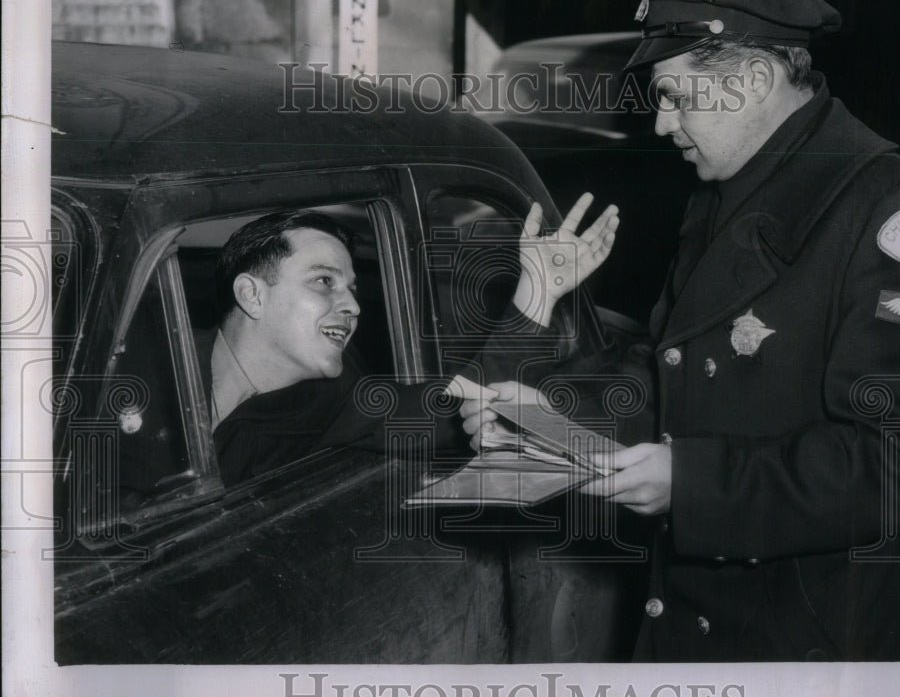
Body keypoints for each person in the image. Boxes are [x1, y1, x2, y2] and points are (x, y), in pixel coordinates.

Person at [460, 0, 900, 661]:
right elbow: (673, 372)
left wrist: (691, 488)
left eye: (674, 97)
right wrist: (541, 408)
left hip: (817, 646)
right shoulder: (725, 199)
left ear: (753, 79)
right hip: (705, 630)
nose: (661, 125)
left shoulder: (899, 213)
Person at [205, 200, 619, 485]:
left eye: (350, 287)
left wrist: (538, 291)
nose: (352, 305)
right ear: (251, 295)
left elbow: (457, 404)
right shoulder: (150, 365)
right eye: (323, 282)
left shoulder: (332, 399)